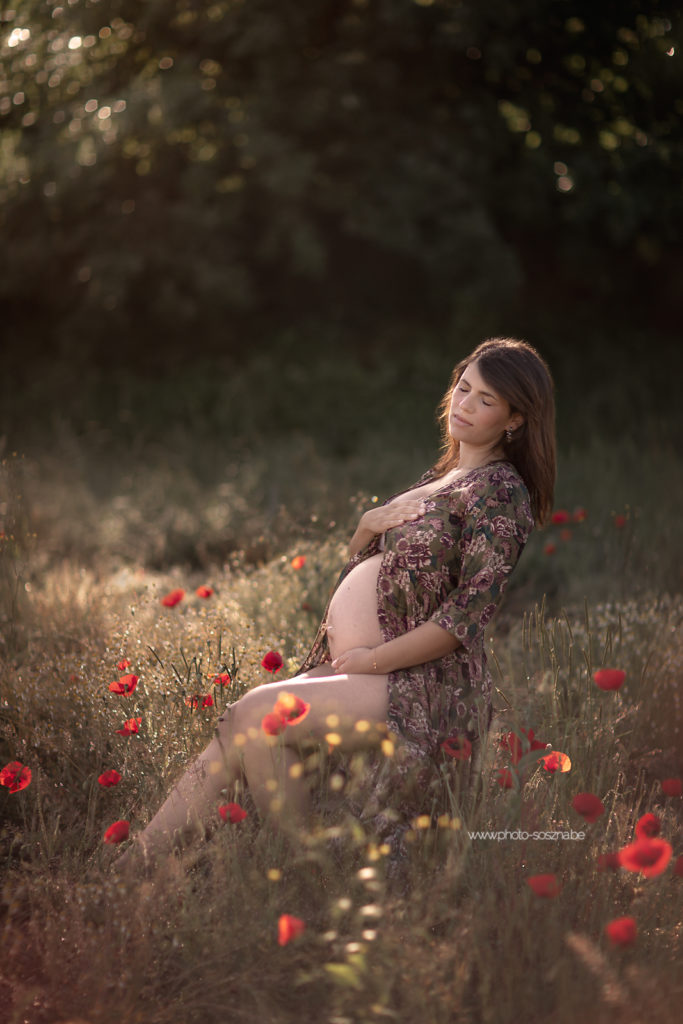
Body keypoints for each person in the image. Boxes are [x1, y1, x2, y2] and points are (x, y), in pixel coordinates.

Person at [120, 337, 555, 870]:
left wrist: (371, 660)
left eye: (485, 400)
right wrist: (365, 525)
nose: (464, 405)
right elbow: (369, 564)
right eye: (463, 388)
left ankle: (300, 872)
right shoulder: (442, 478)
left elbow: (466, 617)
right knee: (241, 722)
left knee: (260, 714)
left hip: (424, 685)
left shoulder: (500, 491)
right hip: (373, 669)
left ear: (515, 418)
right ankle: (148, 867)